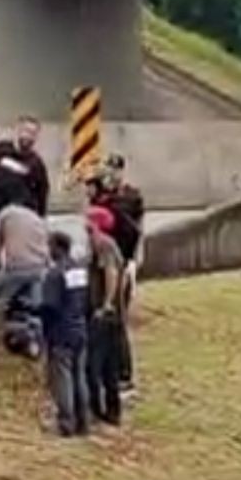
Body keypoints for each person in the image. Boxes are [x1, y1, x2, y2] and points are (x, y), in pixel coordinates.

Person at [0, 115, 51, 300]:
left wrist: (39, 219)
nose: (28, 136)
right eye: (25, 130)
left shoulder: (36, 164)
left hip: (22, 221)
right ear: (17, 129)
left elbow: (42, 193)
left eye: (33, 133)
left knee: (19, 258)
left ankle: (17, 294)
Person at [90, 153, 146, 393]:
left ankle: (124, 373)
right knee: (102, 319)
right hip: (102, 258)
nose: (111, 174)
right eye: (108, 170)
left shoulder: (132, 197)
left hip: (121, 260)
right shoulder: (101, 197)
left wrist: (135, 260)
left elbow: (139, 229)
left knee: (117, 316)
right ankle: (106, 370)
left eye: (115, 170)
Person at [39, 231, 90, 438]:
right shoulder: (79, 270)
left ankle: (66, 423)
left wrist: (45, 331)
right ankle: (83, 421)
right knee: (79, 376)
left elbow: (50, 306)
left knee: (63, 378)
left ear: (57, 248)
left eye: (49, 246)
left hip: (60, 331)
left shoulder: (54, 274)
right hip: (79, 327)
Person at [85, 205, 126, 427]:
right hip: (110, 313)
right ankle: (111, 411)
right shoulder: (105, 245)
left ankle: (100, 410)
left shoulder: (103, 245)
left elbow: (112, 273)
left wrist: (106, 304)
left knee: (96, 364)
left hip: (104, 315)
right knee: (108, 364)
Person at [0, 200, 50, 346]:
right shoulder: (36, 218)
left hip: (16, 266)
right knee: (36, 306)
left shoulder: (5, 214)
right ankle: (41, 339)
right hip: (40, 267)